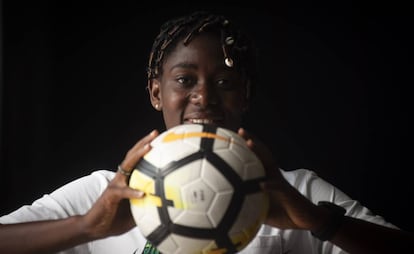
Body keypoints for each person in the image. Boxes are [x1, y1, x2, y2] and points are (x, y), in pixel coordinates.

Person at [0, 10, 412, 254]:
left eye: (224, 82)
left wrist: (319, 221)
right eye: (185, 80)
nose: (204, 97)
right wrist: (87, 227)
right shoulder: (108, 194)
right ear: (156, 93)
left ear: (245, 95)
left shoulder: (291, 192)